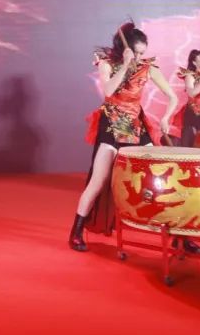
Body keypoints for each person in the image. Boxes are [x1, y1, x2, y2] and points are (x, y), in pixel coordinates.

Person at [69, 23, 184, 253]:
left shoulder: (148, 68)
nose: (140, 57)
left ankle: (180, 234)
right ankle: (76, 232)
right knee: (98, 181)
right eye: (136, 53)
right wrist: (125, 64)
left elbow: (172, 97)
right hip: (111, 125)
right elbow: (109, 91)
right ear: (125, 49)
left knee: (162, 175)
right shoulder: (107, 64)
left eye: (142, 53)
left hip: (136, 126)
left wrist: (166, 118)